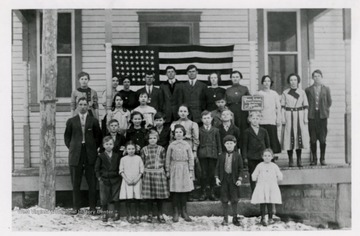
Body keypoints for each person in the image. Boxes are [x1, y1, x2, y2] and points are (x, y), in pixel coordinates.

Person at [64, 97, 102, 215]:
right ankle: (76, 207)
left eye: (85, 104)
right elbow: (67, 138)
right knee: (76, 182)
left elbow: (99, 137)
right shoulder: (71, 121)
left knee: (92, 182)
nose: (83, 106)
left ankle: (92, 207)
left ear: (88, 106)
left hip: (90, 153)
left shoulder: (94, 121)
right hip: (76, 154)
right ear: (77, 106)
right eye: (80, 104)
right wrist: (74, 148)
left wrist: (92, 148)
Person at [170, 105, 200, 199]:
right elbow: (171, 138)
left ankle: (189, 192)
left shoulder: (193, 124)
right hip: (176, 147)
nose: (183, 113)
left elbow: (196, 139)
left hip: (188, 146)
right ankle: (178, 192)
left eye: (185, 111)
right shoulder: (174, 123)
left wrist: (194, 150)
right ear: (178, 112)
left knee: (189, 169)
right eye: (181, 111)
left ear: (188, 112)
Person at [166, 124, 195, 222]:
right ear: (174, 134)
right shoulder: (171, 145)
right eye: (176, 132)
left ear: (184, 134)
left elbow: (191, 158)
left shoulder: (187, 145)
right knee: (175, 191)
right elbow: (168, 159)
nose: (178, 134)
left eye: (180, 132)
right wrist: (168, 171)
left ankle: (184, 211)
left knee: (183, 190)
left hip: (185, 169)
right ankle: (175, 211)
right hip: (174, 168)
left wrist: (191, 170)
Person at [141, 130, 169, 223]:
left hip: (159, 174)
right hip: (148, 174)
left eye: (154, 138)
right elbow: (142, 163)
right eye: (150, 138)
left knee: (159, 196)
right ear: (147, 139)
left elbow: (164, 162)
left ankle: (160, 213)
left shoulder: (161, 149)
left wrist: (165, 172)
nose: (152, 140)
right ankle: (149, 213)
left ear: (157, 139)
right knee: (149, 196)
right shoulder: (144, 149)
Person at [215, 135, 243, 226]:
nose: (229, 145)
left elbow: (240, 169)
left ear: (235, 144)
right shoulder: (221, 155)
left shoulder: (238, 156)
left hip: (233, 179)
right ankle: (225, 218)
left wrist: (239, 179)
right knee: (224, 198)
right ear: (224, 145)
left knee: (234, 199)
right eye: (227, 144)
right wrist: (217, 177)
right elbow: (217, 167)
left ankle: (235, 218)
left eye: (231, 143)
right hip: (224, 179)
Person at [281, 74, 309, 167]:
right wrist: (283, 118)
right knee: (289, 135)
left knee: (298, 135)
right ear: (289, 81)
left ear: (298, 81)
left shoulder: (302, 92)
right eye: (291, 80)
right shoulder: (285, 92)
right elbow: (283, 107)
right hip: (289, 115)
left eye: (295, 80)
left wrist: (305, 118)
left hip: (299, 115)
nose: (293, 82)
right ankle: (290, 159)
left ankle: (299, 159)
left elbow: (305, 106)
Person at [305, 70, 332, 166]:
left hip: (322, 117)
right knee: (312, 139)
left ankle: (322, 158)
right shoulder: (308, 90)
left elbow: (329, 102)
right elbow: (306, 102)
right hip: (312, 116)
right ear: (312, 78)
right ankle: (314, 159)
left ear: (321, 77)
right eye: (315, 76)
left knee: (322, 139)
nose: (317, 78)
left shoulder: (326, 89)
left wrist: (324, 110)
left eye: (318, 76)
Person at [251, 148, 283, 226]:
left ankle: (270, 217)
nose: (267, 157)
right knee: (263, 202)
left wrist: (278, 178)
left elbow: (280, 175)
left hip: (271, 186)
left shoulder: (274, 166)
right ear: (262, 157)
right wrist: (255, 178)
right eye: (265, 155)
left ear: (272, 157)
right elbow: (254, 175)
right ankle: (262, 218)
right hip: (262, 186)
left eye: (269, 156)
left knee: (270, 202)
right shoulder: (260, 165)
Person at [95, 136, 122, 222]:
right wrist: (99, 177)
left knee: (115, 196)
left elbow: (119, 167)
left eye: (110, 144)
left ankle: (116, 213)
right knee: (104, 197)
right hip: (104, 179)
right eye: (107, 144)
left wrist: (119, 176)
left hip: (115, 179)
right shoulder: (101, 156)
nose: (109, 146)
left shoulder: (117, 156)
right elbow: (97, 168)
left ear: (113, 145)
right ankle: (104, 213)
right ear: (103, 145)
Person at [242, 111, 270, 192]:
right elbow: (244, 146)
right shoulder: (247, 131)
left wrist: (268, 155)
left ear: (260, 120)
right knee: (253, 175)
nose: (255, 120)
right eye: (253, 118)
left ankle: (263, 190)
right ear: (249, 119)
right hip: (252, 157)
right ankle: (254, 191)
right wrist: (245, 157)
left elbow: (267, 145)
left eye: (257, 118)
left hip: (262, 157)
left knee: (263, 174)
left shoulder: (264, 131)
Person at [198, 111, 222, 201]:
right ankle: (203, 192)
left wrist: (219, 153)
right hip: (203, 154)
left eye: (208, 118)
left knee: (212, 173)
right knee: (203, 174)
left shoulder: (216, 130)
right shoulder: (199, 130)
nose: (207, 120)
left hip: (213, 154)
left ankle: (212, 192)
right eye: (204, 118)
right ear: (201, 120)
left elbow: (218, 143)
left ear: (211, 119)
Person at [255, 75, 282, 156]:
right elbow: (255, 107)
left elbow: (278, 107)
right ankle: (262, 156)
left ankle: (272, 156)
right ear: (262, 83)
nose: (266, 83)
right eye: (265, 81)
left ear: (271, 83)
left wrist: (278, 119)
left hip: (271, 120)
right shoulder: (259, 94)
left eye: (268, 81)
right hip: (262, 120)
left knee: (272, 138)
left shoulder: (274, 94)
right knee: (262, 139)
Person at [119, 141, 144, 224]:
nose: (131, 150)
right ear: (126, 150)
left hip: (137, 180)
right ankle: (129, 214)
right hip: (127, 181)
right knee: (128, 198)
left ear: (135, 149)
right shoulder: (123, 159)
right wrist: (127, 180)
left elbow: (141, 170)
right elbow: (121, 171)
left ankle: (137, 214)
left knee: (137, 198)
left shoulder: (138, 158)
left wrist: (137, 179)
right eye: (129, 149)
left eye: (133, 149)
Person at [225, 70, 250, 148]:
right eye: (233, 77)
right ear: (231, 78)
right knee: (233, 130)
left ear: (240, 78)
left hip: (242, 112)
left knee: (243, 131)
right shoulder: (228, 90)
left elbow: (250, 102)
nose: (235, 78)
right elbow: (225, 102)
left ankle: (243, 155)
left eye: (237, 77)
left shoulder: (244, 88)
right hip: (232, 111)